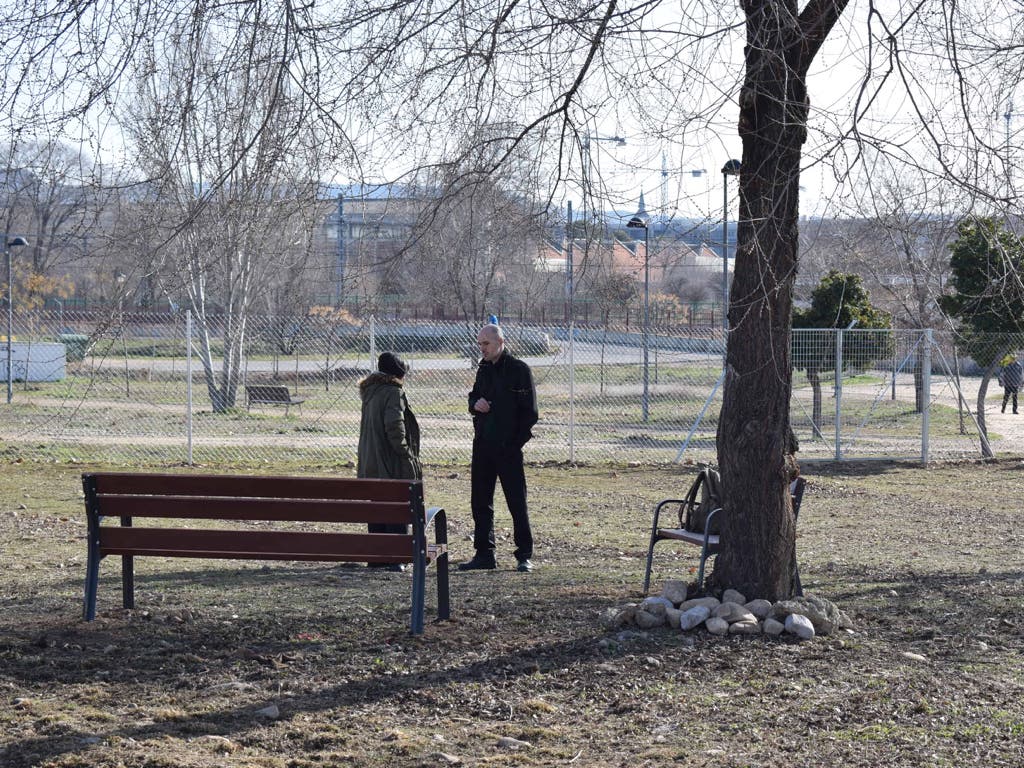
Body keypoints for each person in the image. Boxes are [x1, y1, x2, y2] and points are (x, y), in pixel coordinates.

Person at [459, 323, 539, 573]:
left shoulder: (519, 370)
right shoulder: (483, 369)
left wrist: (514, 443)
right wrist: (475, 404)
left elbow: (530, 414)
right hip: (483, 446)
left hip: (508, 449)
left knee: (516, 502)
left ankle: (523, 555)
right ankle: (484, 553)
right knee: (480, 502)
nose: (481, 348)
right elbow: (473, 397)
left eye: (486, 343)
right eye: (479, 344)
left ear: (500, 343)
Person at [357, 351, 421, 571]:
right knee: (396, 506)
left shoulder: (370, 391)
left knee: (377, 508)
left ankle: (377, 557)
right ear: (398, 375)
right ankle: (397, 558)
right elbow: (394, 426)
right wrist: (405, 452)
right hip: (389, 461)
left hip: (370, 461)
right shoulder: (393, 392)